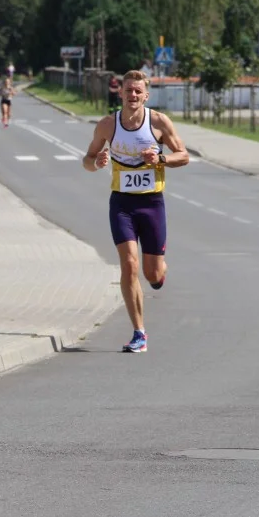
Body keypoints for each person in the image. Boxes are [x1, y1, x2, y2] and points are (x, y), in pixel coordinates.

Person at [82, 70, 189, 353]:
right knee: (129, 265)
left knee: (152, 274)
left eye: (138, 91)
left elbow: (184, 155)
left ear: (146, 95)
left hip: (152, 203)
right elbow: (87, 160)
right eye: (128, 90)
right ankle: (139, 332)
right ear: (120, 93)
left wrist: (162, 158)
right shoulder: (107, 125)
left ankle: (158, 275)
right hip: (122, 204)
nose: (132, 95)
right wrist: (99, 162)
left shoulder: (158, 122)